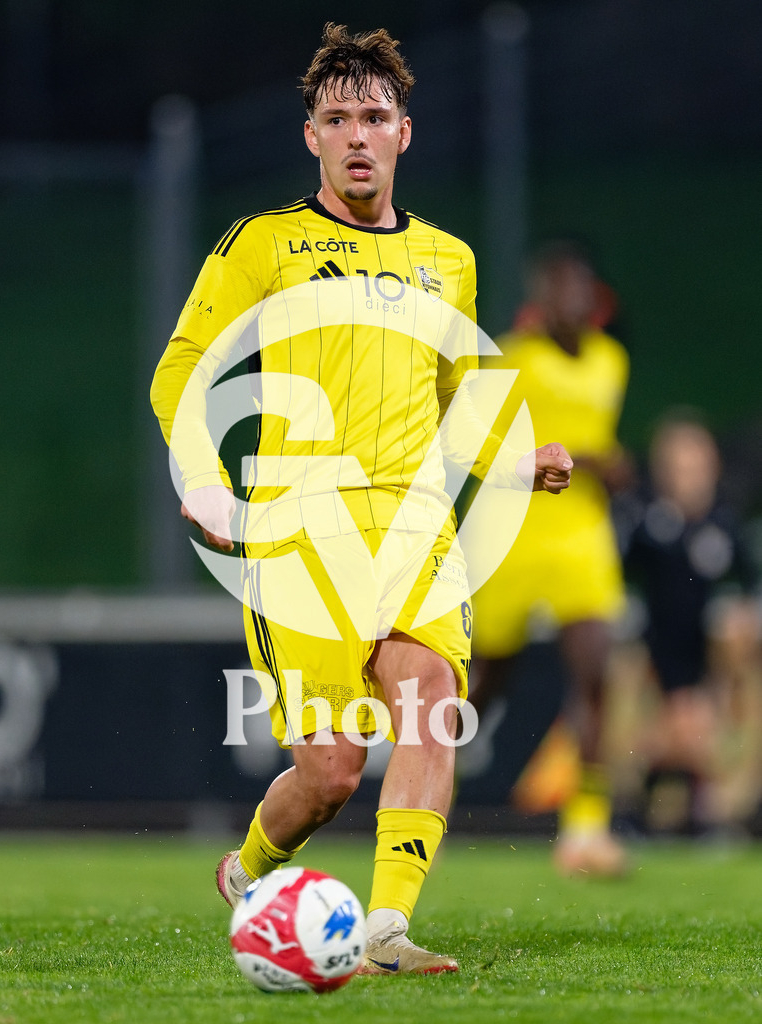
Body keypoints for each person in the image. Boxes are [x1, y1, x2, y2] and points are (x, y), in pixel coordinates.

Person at [150, 24, 571, 975]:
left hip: (414, 524)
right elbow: (183, 368)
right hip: (300, 528)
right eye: (336, 117)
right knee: (330, 772)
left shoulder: (447, 260)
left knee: (429, 699)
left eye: (372, 116)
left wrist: (516, 458)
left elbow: (464, 397)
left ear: (404, 134)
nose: (354, 135)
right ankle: (251, 869)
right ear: (310, 137)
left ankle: (383, 930)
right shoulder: (266, 243)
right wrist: (204, 480)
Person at [467, 240, 631, 877]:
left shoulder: (612, 361)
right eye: (559, 289)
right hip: (512, 533)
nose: (572, 300)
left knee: (595, 674)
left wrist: (609, 466)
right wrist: (592, 460)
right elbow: (481, 445)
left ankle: (585, 832)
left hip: (580, 537)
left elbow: (598, 441)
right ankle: (427, 797)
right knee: (485, 683)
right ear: (542, 300)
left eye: (580, 289)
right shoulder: (513, 359)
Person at [619, 413, 761, 833]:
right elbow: (620, 587)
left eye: (697, 468)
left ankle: (729, 805)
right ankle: (631, 798)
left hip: (711, 677)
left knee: (733, 638)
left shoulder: (726, 524)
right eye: (677, 469)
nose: (688, 479)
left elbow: (746, 592)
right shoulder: (644, 522)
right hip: (656, 667)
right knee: (637, 690)